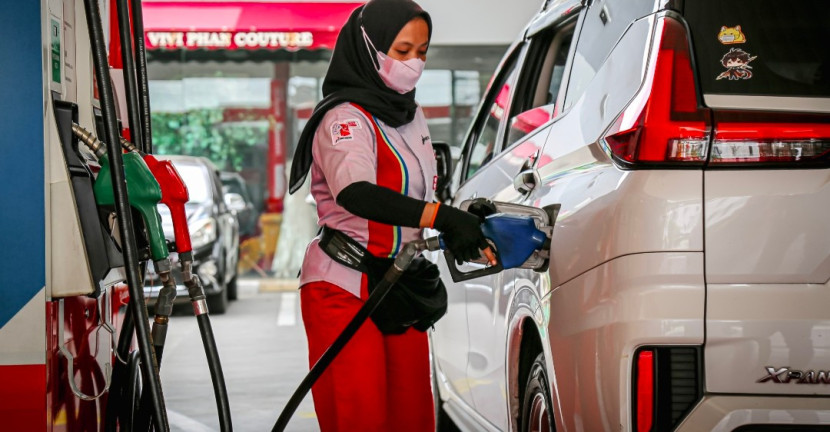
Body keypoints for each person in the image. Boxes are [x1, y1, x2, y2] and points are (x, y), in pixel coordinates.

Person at [287, 0, 492, 430]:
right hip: (345, 284)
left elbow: (417, 195)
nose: (414, 63)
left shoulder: (410, 115)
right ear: (369, 47)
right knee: (359, 418)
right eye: (402, 51)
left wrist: (456, 216)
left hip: (399, 283)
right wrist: (439, 216)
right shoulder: (345, 118)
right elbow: (356, 193)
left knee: (413, 418)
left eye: (422, 51)